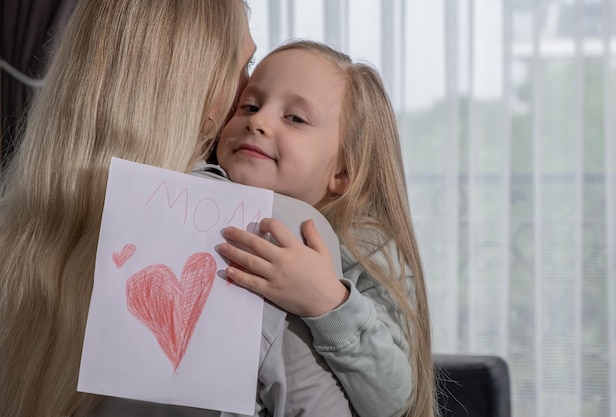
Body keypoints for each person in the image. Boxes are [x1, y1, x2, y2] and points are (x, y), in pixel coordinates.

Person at [0, 2, 354, 417]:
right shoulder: (268, 228)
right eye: (244, 65)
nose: (248, 91)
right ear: (203, 90)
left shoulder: (15, 224)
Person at [203, 40, 437, 417]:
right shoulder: (197, 201)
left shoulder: (366, 247)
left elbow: (392, 397)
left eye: (295, 118)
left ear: (342, 171)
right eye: (249, 105)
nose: (258, 121)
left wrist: (326, 302)